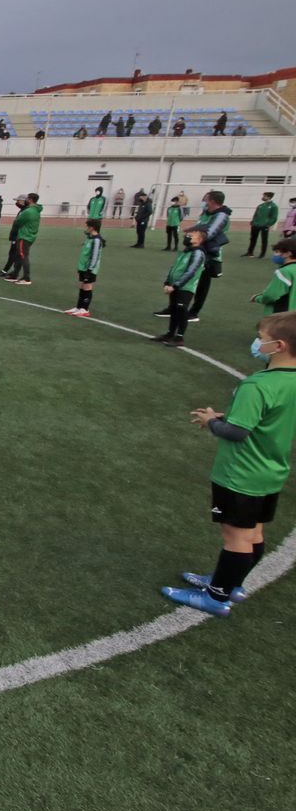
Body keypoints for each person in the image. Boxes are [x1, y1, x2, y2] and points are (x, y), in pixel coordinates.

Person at [163, 312, 296, 615]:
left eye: (261, 339)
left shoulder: (258, 385)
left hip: (241, 474)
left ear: (279, 346)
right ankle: (231, 583)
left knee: (235, 537)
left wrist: (211, 421)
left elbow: (237, 433)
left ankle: (216, 596)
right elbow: (269, 419)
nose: (257, 343)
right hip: (271, 471)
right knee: (254, 533)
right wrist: (228, 417)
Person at [183, 192, 233, 321]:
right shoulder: (207, 213)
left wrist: (192, 232)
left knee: (202, 284)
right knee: (184, 278)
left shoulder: (221, 215)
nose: (203, 202)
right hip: (195, 250)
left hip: (208, 255)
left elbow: (209, 233)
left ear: (212, 201)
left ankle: (194, 312)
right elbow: (201, 227)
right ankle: (176, 307)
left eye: (205, 200)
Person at [154, 228, 207, 347]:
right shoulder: (186, 252)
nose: (187, 237)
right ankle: (170, 334)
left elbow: (191, 271)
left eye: (191, 236)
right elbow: (174, 268)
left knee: (181, 310)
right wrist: (167, 282)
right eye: (187, 235)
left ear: (199, 240)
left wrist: (176, 285)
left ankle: (179, 337)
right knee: (174, 310)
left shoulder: (198, 253)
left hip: (186, 287)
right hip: (175, 286)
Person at [0, 194, 41, 285]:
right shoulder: (35, 210)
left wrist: (16, 223)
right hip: (29, 235)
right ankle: (15, 275)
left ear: (30, 200)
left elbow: (18, 222)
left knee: (23, 256)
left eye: (27, 198)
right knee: (19, 256)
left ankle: (26, 278)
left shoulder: (28, 211)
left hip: (25, 236)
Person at [250, 239, 296, 315]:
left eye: (277, 252)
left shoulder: (284, 272)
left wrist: (257, 298)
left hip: (283, 316)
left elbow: (271, 295)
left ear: (288, 253)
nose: (274, 255)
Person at [247, 192, 280, 258]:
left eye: (264, 196)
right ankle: (250, 252)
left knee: (264, 240)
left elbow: (274, 217)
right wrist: (253, 222)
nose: (263, 197)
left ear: (269, 197)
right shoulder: (260, 205)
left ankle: (262, 254)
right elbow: (256, 214)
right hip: (255, 225)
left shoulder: (274, 206)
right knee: (252, 239)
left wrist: (268, 224)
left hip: (264, 226)